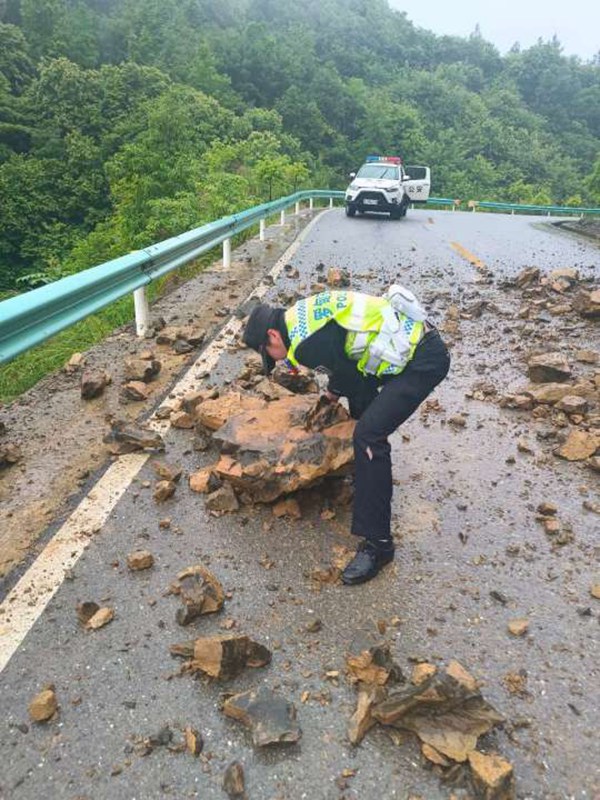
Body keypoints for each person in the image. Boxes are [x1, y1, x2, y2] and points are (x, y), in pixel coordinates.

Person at [242, 287, 450, 585]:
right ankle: (364, 478)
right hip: (418, 341)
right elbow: (349, 361)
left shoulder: (302, 345)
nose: (275, 361)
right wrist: (331, 396)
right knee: (362, 409)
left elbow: (351, 375)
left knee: (368, 436)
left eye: (269, 354)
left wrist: (334, 397)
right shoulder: (300, 315)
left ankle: (378, 545)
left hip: (423, 361)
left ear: (273, 336)